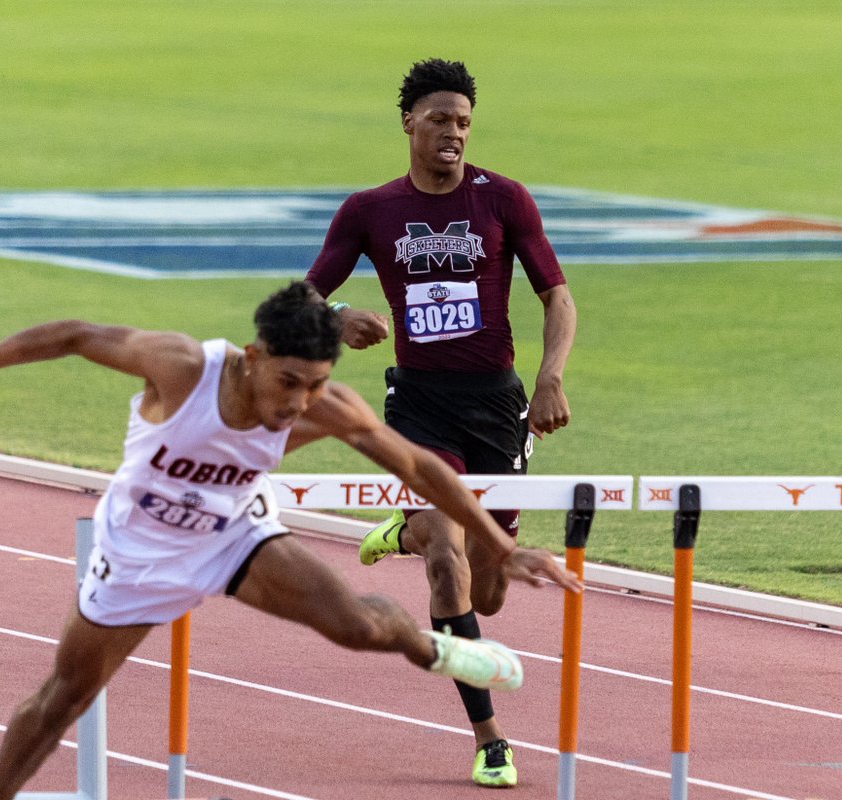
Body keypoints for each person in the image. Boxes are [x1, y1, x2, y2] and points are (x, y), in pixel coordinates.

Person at [0, 281, 581, 800]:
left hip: (231, 533)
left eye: (314, 384)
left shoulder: (325, 406)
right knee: (65, 696)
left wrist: (498, 544)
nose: (298, 402)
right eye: (287, 381)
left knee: (354, 626)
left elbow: (421, 466)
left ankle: (432, 648)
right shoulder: (181, 368)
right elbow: (75, 334)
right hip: (139, 551)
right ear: (253, 357)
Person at [305, 58, 576, 786]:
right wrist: (335, 316)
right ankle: (490, 737)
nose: (453, 134)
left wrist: (550, 378)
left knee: (490, 587)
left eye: (463, 122)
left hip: (496, 405)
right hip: (418, 406)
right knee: (448, 566)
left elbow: (557, 296)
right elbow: (298, 298)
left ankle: (414, 526)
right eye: (439, 121)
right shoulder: (370, 211)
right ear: (408, 124)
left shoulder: (503, 199)